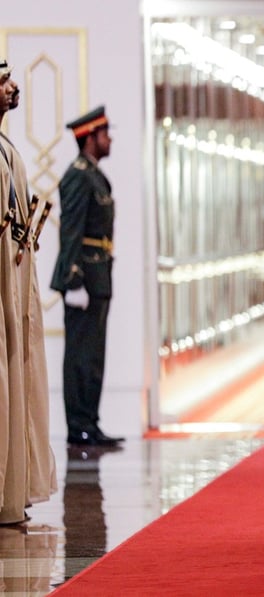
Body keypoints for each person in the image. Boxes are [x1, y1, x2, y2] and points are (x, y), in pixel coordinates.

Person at [0, 57, 56, 526]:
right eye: (4, 81)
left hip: (13, 290)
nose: (14, 87)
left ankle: (11, 490)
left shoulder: (8, 150)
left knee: (18, 380)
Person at [49, 106, 123, 447]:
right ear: (90, 137)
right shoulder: (79, 175)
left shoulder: (93, 174)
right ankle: (78, 424)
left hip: (99, 276)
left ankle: (89, 422)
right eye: (105, 134)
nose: (109, 140)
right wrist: (73, 279)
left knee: (93, 356)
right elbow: (71, 230)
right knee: (80, 356)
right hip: (85, 279)